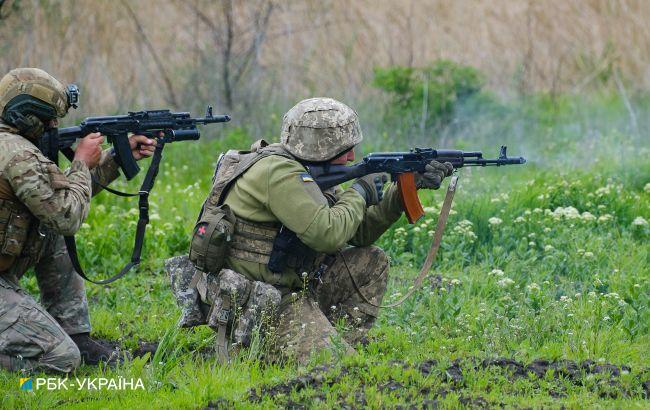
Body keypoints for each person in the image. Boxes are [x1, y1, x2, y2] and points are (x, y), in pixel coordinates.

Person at [174, 97, 452, 364]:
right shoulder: (278, 172)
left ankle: (330, 338)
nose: (353, 155)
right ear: (320, 147)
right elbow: (328, 234)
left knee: (371, 261)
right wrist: (360, 191)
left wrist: (403, 191)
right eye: (345, 149)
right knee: (339, 368)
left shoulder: (306, 168)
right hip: (259, 301)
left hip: (288, 286)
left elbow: (358, 231)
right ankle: (263, 345)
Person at [0, 67, 155, 373]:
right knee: (61, 358)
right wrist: (81, 162)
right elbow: (67, 216)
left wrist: (115, 158)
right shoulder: (18, 156)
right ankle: (67, 346)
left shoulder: (16, 147)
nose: (55, 125)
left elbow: (58, 199)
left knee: (49, 230)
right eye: (49, 119)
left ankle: (76, 334)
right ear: (27, 116)